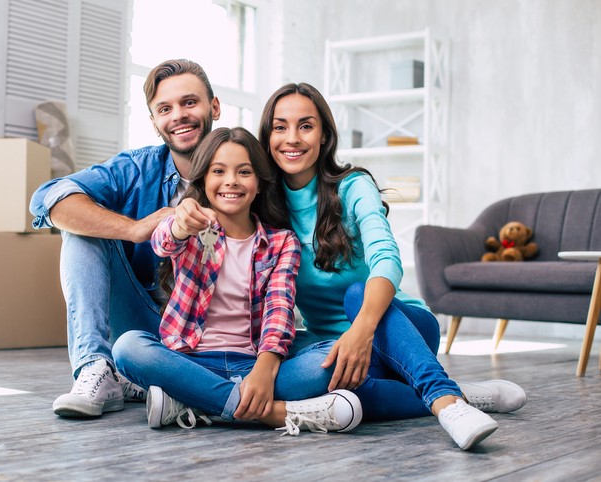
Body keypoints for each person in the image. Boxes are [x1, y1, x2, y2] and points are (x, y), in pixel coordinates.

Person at [257, 82, 527, 450]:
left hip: (397, 326)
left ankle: (445, 400)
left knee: (358, 293)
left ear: (324, 136)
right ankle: (456, 391)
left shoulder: (353, 186)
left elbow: (386, 256)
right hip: (333, 346)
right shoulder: (266, 207)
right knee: (298, 384)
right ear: (267, 136)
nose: (292, 138)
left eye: (306, 125)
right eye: (280, 126)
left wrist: (361, 331)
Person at [112, 127, 362, 436]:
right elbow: (162, 243)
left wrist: (264, 371)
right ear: (203, 179)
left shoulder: (282, 242)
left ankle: (198, 404)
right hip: (190, 362)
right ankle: (271, 412)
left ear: (258, 184)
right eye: (219, 171)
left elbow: (279, 310)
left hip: (252, 364)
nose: (231, 180)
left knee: (328, 357)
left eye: (244, 172)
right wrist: (178, 223)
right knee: (127, 347)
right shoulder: (190, 228)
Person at [29, 59, 221, 417]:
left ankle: (148, 377)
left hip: (220, 335)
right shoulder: (136, 168)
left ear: (214, 106)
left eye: (189, 102)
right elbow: (49, 196)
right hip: (146, 326)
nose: (178, 115)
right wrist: (135, 229)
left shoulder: (248, 169)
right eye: (165, 109)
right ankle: (95, 368)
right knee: (82, 227)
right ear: (154, 122)